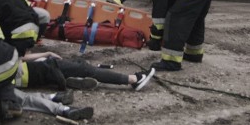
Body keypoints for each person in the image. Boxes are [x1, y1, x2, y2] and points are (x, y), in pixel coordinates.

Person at [117, 0, 218, 71]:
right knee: (194, 19)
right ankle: (194, 54)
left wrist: (155, 39)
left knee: (176, 18)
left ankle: (171, 61)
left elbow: (160, 13)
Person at [19, 51, 155, 91]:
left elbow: (20, 57)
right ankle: (133, 80)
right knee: (85, 68)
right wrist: (47, 55)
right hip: (43, 69)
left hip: (36, 73)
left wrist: (46, 54)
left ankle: (71, 81)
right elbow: (20, 57)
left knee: (80, 65)